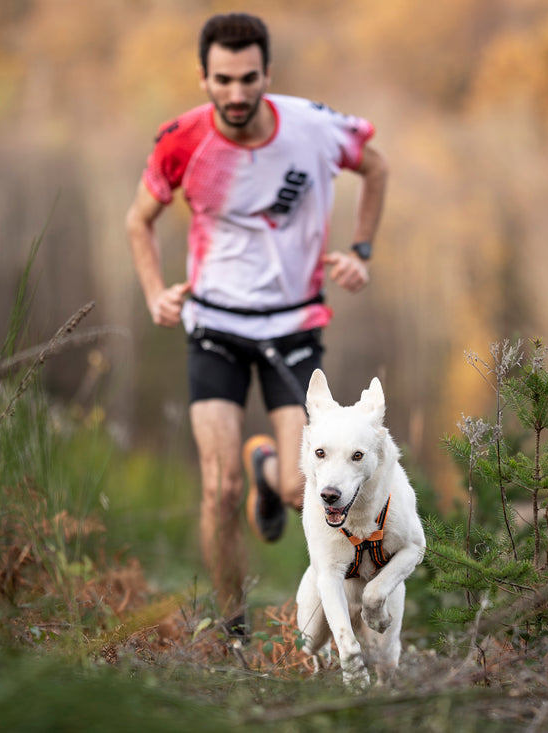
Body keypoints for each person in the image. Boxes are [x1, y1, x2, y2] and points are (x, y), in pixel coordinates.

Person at [125, 12, 388, 634]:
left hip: (293, 325)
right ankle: (233, 629)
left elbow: (375, 167)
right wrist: (153, 293)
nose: (237, 93)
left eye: (249, 78)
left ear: (267, 73)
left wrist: (362, 251)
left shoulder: (315, 129)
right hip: (213, 324)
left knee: (309, 490)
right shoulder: (181, 140)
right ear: (204, 78)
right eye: (223, 80)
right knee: (216, 489)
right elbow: (138, 220)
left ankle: (269, 473)